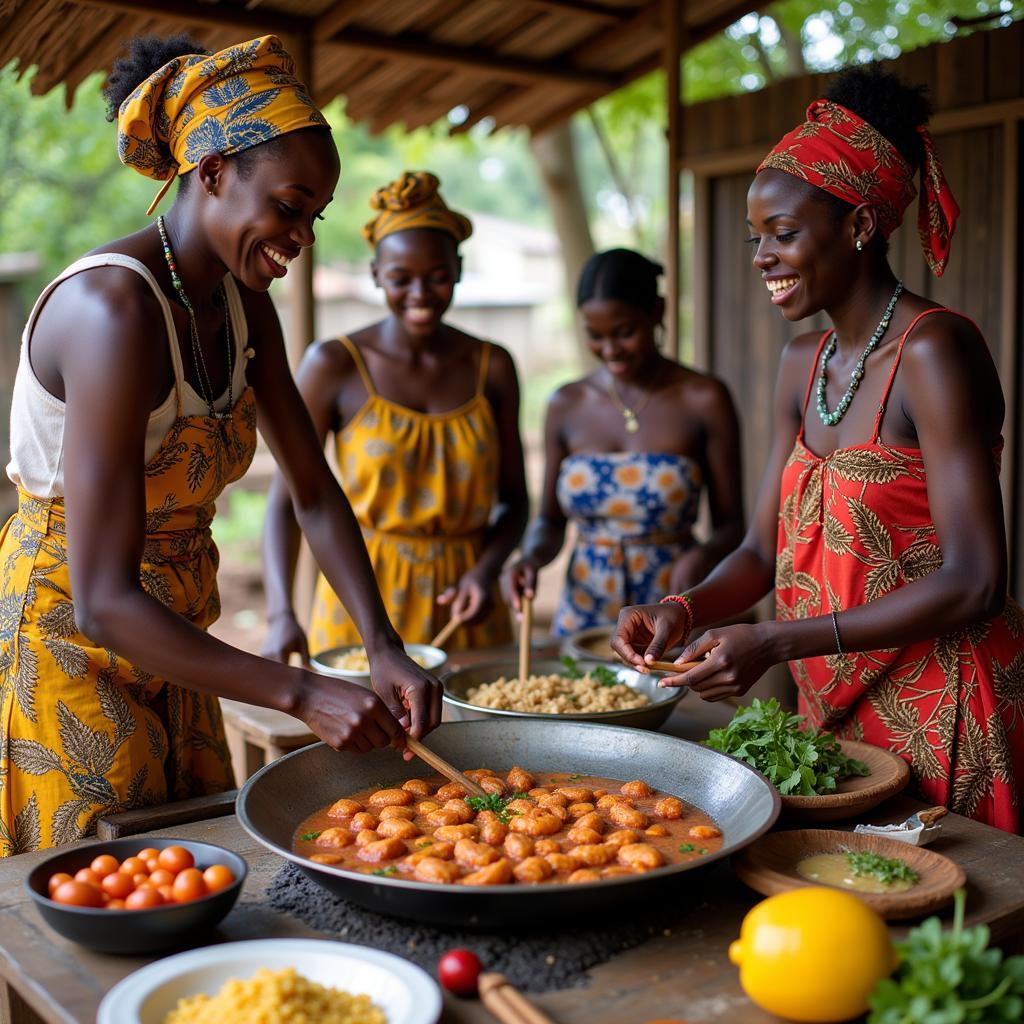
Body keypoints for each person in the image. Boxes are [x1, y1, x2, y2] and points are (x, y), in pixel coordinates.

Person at [0, 34, 441, 856]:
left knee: (198, 868)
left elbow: (312, 490)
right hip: (72, 634)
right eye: (288, 205)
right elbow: (102, 596)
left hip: (177, 632)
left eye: (314, 215)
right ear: (210, 173)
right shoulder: (113, 311)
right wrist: (302, 693)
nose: (301, 235)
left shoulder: (245, 307)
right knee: (108, 887)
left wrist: (385, 649)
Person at [612, 66, 1024, 833]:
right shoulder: (802, 362)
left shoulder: (933, 352)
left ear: (861, 225)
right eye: (755, 237)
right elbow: (761, 552)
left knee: (939, 915)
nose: (762, 255)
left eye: (784, 234)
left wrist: (773, 638)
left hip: (942, 704)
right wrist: (679, 608)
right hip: (831, 707)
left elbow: (977, 582)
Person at [261, 172, 526, 663]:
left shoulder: (492, 366)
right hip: (360, 602)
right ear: (377, 274)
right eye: (401, 278)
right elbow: (289, 501)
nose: (420, 293)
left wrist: (485, 571)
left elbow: (514, 503)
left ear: (460, 269)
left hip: (468, 609)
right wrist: (280, 615)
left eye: (438, 275)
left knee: (482, 738)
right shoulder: (335, 365)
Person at [502, 248, 743, 636]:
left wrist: (704, 555)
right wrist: (528, 558)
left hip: (673, 608)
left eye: (625, 332)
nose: (610, 350)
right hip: (584, 612)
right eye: (595, 336)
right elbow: (548, 521)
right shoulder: (566, 404)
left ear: (658, 312)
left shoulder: (704, 398)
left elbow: (732, 525)